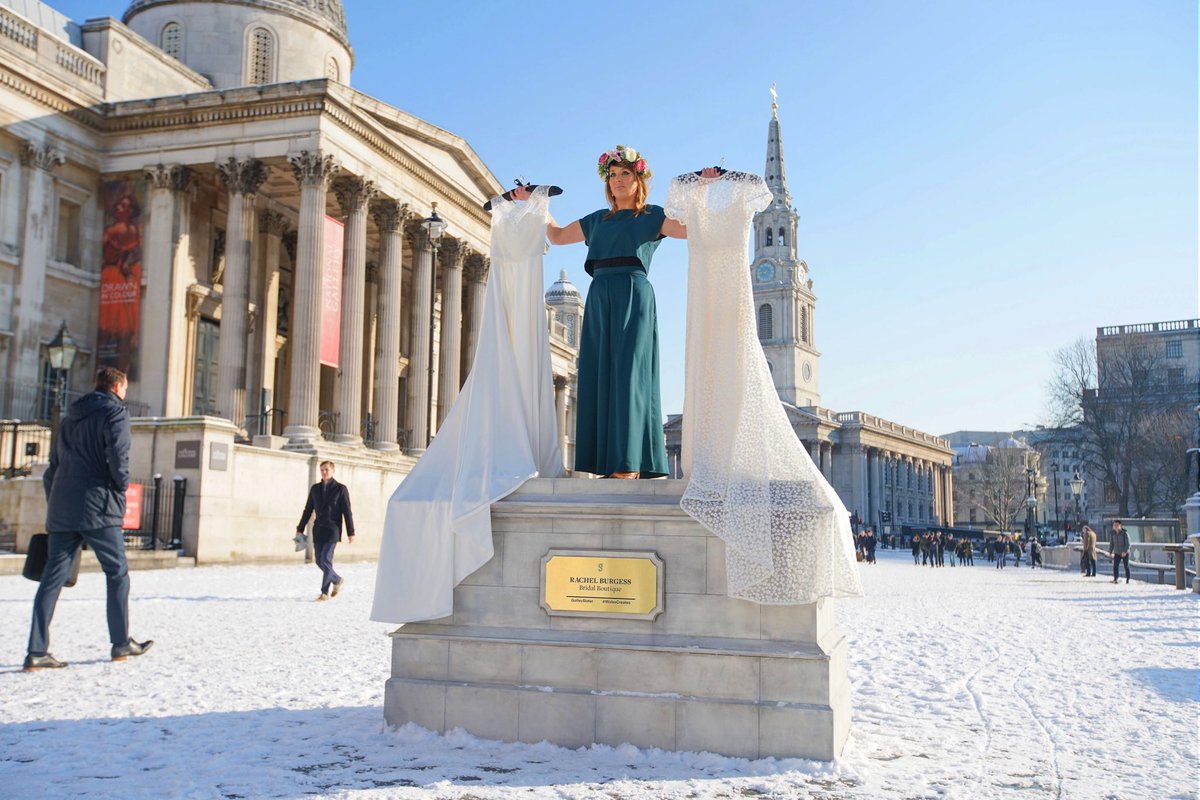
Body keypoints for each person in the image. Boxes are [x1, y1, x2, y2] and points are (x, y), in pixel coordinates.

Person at [517, 147, 715, 479]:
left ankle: (628, 464)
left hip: (633, 296)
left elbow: (690, 229)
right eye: (613, 175)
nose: (618, 180)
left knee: (629, 374)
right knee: (599, 374)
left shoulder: (652, 215)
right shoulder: (597, 220)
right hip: (599, 296)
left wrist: (703, 189)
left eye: (625, 174)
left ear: (639, 179)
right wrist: (536, 200)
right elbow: (557, 235)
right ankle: (609, 463)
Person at [25, 367, 152, 671]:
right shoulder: (116, 413)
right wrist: (120, 490)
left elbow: (53, 468)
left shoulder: (69, 418)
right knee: (117, 572)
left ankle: (36, 651)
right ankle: (121, 642)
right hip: (99, 504)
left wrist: (56, 502)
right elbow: (119, 458)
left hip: (63, 504)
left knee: (52, 577)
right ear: (118, 386)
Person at [296, 460, 355, 601]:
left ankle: (324, 593)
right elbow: (308, 510)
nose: (324, 472)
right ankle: (337, 579)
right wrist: (300, 528)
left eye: (326, 469)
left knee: (326, 559)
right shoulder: (315, 489)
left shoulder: (341, 489)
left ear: (333, 471)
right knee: (319, 561)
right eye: (322, 469)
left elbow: (347, 512)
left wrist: (350, 532)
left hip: (333, 529)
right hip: (319, 529)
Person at [1109, 519, 1130, 584]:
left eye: (1117, 525)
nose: (1115, 526)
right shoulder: (1113, 533)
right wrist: (1110, 551)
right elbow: (1111, 543)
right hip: (1117, 552)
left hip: (1124, 553)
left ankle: (1128, 579)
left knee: (1126, 566)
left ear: (1120, 526)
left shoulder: (1125, 533)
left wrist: (1125, 551)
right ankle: (1116, 578)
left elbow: (1128, 544)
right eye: (1114, 525)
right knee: (1115, 566)